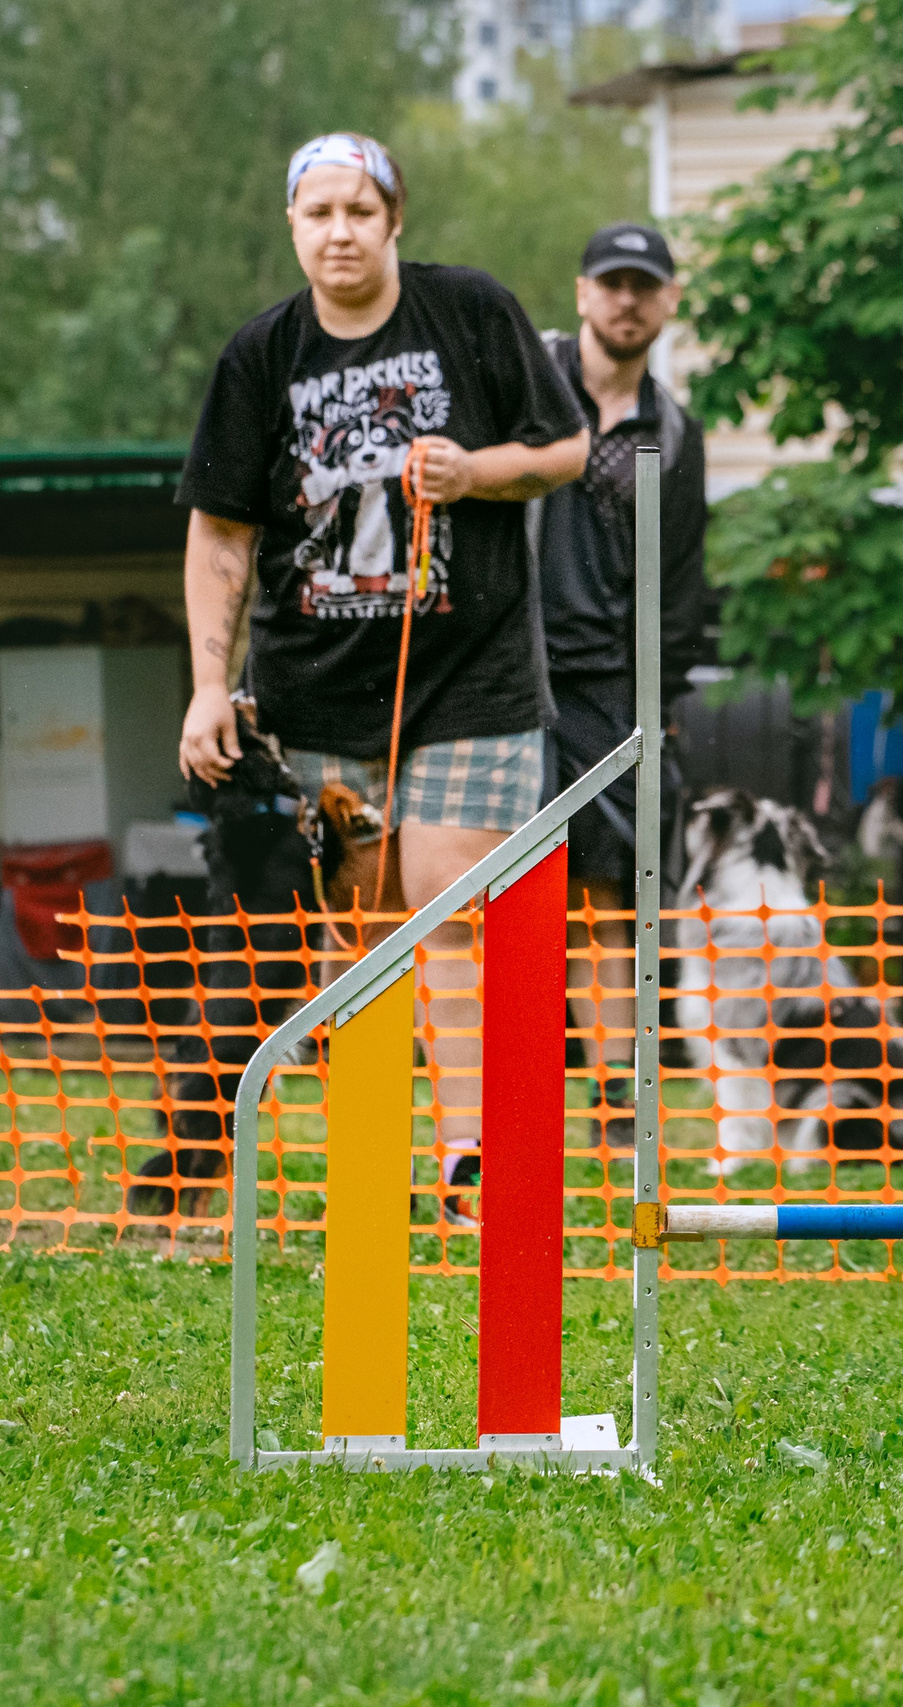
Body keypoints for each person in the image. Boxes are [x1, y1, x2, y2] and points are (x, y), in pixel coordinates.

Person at [176, 133, 589, 1200]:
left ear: (395, 218)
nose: (340, 231)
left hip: (471, 671)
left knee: (447, 910)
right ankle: (367, 1160)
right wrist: (207, 685)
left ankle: (471, 1161)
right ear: (293, 228)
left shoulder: (470, 312)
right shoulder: (261, 355)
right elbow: (222, 533)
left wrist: (475, 471)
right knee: (357, 931)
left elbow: (567, 447)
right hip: (316, 682)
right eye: (318, 214)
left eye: (360, 211)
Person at [533, 221, 718, 1143]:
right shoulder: (529, 383)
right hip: (509, 673)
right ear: (581, 293)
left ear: (668, 302)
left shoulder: (676, 432)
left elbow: (680, 586)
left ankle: (612, 1098)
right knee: (523, 896)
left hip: (613, 686)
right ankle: (517, 1087)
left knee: (610, 897)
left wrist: (660, 701)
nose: (627, 299)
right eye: (611, 281)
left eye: (645, 285)